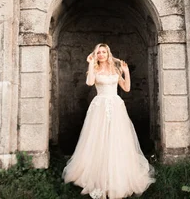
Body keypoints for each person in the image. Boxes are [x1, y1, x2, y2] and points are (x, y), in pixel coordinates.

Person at [62, 43, 155, 199]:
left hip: (116, 106)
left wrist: (126, 72)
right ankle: (98, 175)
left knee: (117, 138)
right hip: (100, 106)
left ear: (108, 53)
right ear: (96, 55)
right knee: (98, 139)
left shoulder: (115, 69)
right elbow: (90, 83)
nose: (101, 54)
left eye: (104, 52)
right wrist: (90, 64)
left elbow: (126, 88)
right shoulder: (95, 69)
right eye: (98, 52)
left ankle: (118, 175)